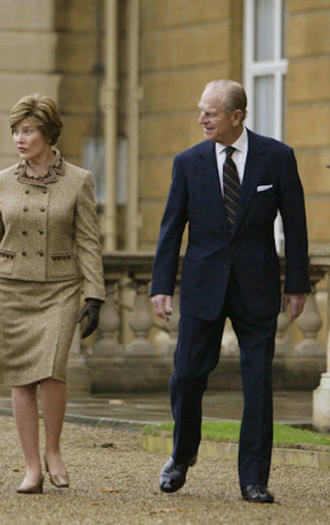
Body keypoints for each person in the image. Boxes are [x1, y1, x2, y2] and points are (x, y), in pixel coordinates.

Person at [150, 79, 310, 503]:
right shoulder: (188, 162)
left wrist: (297, 285)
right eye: (201, 110)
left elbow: (295, 227)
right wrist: (161, 286)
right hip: (203, 285)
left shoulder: (277, 158)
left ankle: (254, 479)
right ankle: (181, 457)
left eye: (211, 112)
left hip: (256, 287)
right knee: (186, 377)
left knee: (258, 384)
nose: (201, 118)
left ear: (236, 117)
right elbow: (171, 228)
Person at [0, 94, 105, 494]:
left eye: (28, 131)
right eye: (16, 131)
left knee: (52, 371)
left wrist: (95, 295)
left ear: (48, 134)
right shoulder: (2, 181)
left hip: (60, 287)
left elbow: (89, 242)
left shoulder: (79, 180)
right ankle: (32, 467)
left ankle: (54, 451)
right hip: (11, 288)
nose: (20, 138)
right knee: (20, 378)